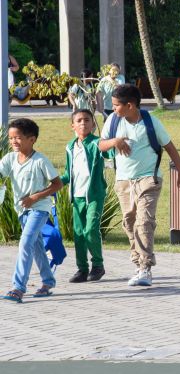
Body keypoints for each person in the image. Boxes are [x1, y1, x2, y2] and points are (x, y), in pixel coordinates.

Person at [99, 84, 180, 287]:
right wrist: (115, 142)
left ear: (129, 105)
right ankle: (138, 262)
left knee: (144, 222)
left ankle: (145, 268)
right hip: (123, 181)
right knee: (130, 223)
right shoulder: (113, 121)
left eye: (116, 105)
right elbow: (101, 144)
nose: (113, 109)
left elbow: (170, 147)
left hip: (149, 179)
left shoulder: (151, 122)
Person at [1, 118, 64, 303]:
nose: (13, 142)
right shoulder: (10, 158)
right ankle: (48, 281)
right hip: (22, 210)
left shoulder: (40, 160)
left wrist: (35, 197)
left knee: (25, 243)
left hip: (39, 209)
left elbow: (57, 184)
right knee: (36, 246)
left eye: (18, 138)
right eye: (11, 138)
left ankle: (18, 288)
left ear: (32, 139)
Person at [61, 110, 107, 283]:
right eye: (79, 120)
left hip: (94, 195)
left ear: (93, 124)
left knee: (90, 230)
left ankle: (98, 265)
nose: (83, 123)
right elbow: (68, 173)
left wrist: (114, 144)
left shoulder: (97, 143)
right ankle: (82, 269)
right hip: (77, 197)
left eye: (87, 120)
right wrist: (54, 183)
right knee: (79, 234)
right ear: (72, 125)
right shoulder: (70, 147)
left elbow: (108, 152)